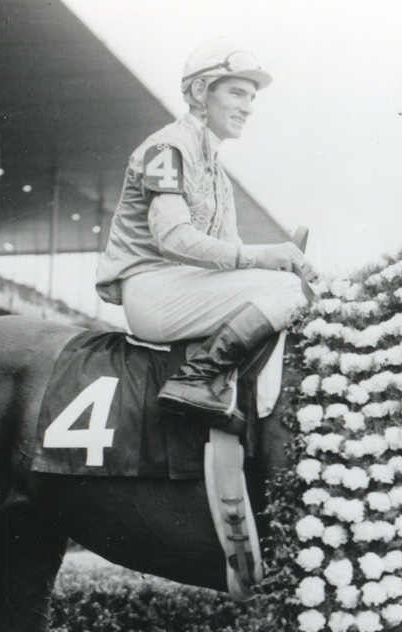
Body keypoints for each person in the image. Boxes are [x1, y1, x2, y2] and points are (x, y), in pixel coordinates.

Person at [95, 38, 318, 424]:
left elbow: (231, 253)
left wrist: (280, 264)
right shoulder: (166, 148)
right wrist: (266, 257)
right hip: (153, 291)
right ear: (200, 91)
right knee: (286, 293)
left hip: (184, 286)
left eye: (252, 97)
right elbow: (174, 238)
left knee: (286, 284)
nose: (248, 107)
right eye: (237, 93)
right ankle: (193, 378)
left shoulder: (216, 171)